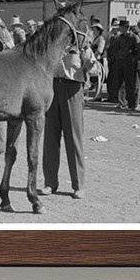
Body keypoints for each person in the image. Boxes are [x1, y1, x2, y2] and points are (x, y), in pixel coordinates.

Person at [41, 21, 96, 197]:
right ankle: (50, 183)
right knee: (50, 138)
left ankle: (78, 185)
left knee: (74, 138)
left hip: (73, 89)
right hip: (52, 88)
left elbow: (91, 65)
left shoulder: (81, 42)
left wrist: (84, 53)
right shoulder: (52, 43)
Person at [106, 18, 140, 110]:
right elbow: (114, 49)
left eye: (121, 27)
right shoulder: (120, 37)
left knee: (130, 85)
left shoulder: (134, 37)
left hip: (130, 65)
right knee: (119, 84)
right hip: (121, 64)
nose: (120, 29)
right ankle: (122, 102)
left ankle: (132, 104)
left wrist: (134, 60)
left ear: (126, 27)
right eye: (120, 27)